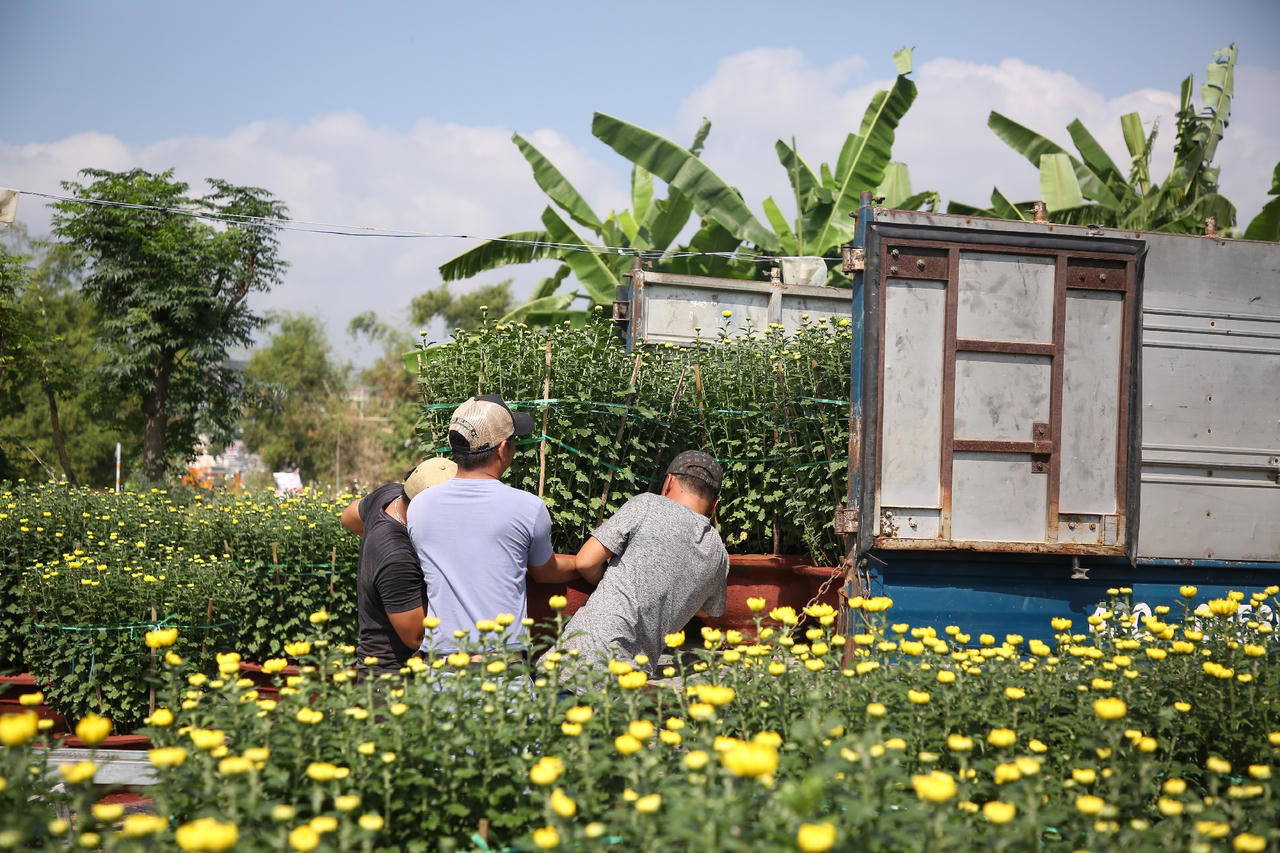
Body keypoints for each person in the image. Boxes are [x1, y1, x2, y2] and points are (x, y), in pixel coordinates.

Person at [406, 393, 577, 655]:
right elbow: (545, 572)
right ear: (501, 449)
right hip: (501, 673)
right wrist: (582, 564)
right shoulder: (527, 508)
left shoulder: (419, 507)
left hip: (440, 675)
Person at [553, 450, 729, 675]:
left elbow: (585, 562)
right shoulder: (719, 552)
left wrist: (610, 578)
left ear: (668, 482)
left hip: (581, 655)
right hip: (632, 678)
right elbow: (710, 611)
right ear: (715, 504)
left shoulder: (647, 505)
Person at [341, 457, 457, 674]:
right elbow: (417, 637)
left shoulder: (389, 496)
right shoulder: (398, 558)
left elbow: (348, 517)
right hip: (391, 678)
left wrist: (375, 549)